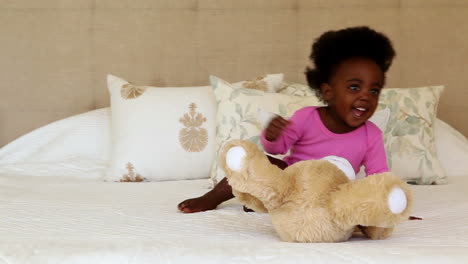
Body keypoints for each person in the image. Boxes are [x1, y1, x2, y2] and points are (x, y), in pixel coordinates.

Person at [178, 26, 396, 213]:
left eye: (374, 90)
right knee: (260, 162)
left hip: (333, 193)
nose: (366, 96)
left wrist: (388, 208)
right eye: (355, 87)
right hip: (290, 182)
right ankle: (213, 198)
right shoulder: (307, 117)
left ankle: (264, 202)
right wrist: (273, 135)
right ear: (328, 91)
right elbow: (278, 147)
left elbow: (378, 177)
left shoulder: (372, 135)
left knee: (357, 198)